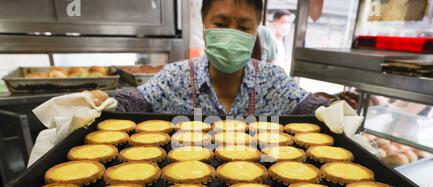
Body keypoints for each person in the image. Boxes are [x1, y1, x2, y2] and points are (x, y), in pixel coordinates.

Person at [90, 0, 334, 116]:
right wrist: (103, 102)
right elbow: (134, 101)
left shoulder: (274, 81)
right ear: (204, 24)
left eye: (244, 28)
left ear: (256, 30)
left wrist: (332, 109)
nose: (231, 35)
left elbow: (307, 104)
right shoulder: (175, 77)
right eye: (221, 24)